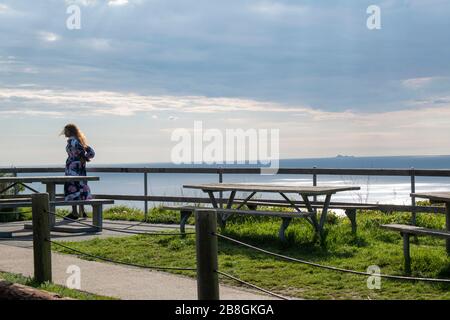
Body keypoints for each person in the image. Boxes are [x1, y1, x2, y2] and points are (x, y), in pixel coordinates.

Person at [61, 124, 95, 220]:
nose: (64, 133)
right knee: (80, 187)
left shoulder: (73, 141)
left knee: (72, 188)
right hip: (80, 169)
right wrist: (84, 159)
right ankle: (82, 212)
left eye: (66, 131)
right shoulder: (79, 140)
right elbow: (92, 153)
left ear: (70, 131)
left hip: (72, 169)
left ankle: (75, 213)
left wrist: (81, 158)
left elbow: (81, 152)